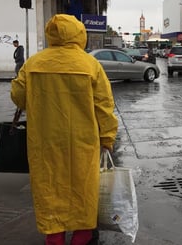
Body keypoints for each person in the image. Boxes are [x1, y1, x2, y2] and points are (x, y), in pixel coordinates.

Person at [11, 14, 118, 245]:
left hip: (44, 143)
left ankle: (55, 237)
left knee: (50, 189)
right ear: (80, 34)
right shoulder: (90, 65)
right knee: (83, 191)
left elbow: (18, 97)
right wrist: (107, 138)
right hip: (83, 144)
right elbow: (105, 106)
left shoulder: (33, 63)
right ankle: (81, 237)